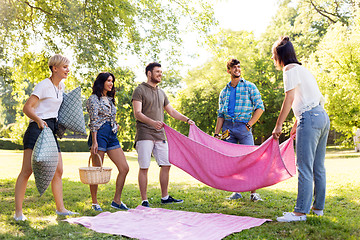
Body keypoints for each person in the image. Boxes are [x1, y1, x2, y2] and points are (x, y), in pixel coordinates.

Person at [271, 36, 330, 222]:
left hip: (310, 118)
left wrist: (279, 125)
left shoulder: (289, 69)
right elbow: (312, 98)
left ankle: (299, 213)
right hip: (322, 117)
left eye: (274, 55)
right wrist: (296, 123)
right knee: (318, 166)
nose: (273, 59)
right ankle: (318, 208)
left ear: (280, 56)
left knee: (303, 166)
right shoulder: (304, 70)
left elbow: (289, 98)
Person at [14, 54, 77, 221]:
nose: (67, 70)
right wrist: (39, 120)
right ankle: (18, 213)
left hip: (50, 130)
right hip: (37, 128)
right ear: (54, 68)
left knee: (58, 170)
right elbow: (27, 108)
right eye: (64, 67)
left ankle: (61, 209)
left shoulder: (61, 87)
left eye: (68, 66)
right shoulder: (43, 85)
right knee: (27, 171)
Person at [132, 62, 194, 207]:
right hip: (144, 134)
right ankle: (144, 200)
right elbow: (137, 113)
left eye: (161, 72)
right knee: (144, 167)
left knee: (166, 164)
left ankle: (165, 197)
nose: (160, 74)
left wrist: (187, 120)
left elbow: (171, 111)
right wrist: (153, 123)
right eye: (157, 72)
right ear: (149, 73)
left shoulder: (161, 93)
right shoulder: (139, 90)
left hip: (160, 135)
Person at [214, 58, 265, 202]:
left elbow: (260, 107)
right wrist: (217, 133)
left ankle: (253, 193)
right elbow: (220, 115)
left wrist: (249, 125)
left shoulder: (250, 87)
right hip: (227, 128)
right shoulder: (224, 92)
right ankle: (236, 191)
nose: (237, 69)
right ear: (228, 70)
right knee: (231, 161)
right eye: (234, 67)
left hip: (243, 127)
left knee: (251, 159)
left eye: (239, 67)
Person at [86, 72, 129, 211]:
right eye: (109, 81)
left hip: (111, 134)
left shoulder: (110, 99)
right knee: (96, 171)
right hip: (99, 135)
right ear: (102, 82)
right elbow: (93, 121)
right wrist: (94, 142)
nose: (111, 84)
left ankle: (116, 201)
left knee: (124, 168)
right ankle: (94, 202)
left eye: (112, 81)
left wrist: (115, 125)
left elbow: (111, 116)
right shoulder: (93, 99)